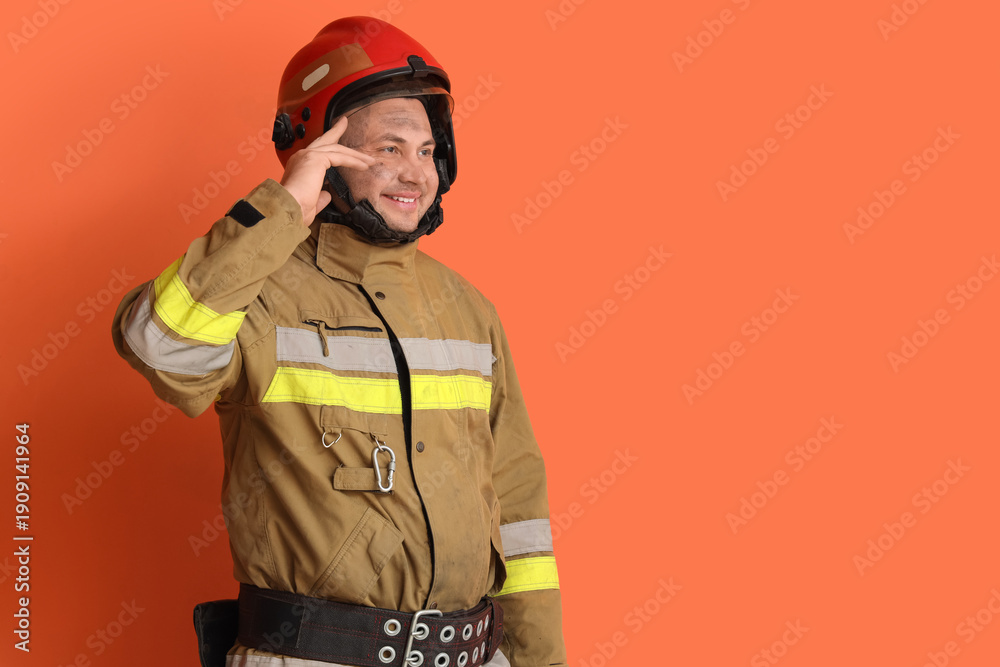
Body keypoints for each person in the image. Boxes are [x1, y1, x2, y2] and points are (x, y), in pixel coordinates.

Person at [111, 16, 566, 667]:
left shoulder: (468, 309)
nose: (415, 172)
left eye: (427, 150)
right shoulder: (259, 292)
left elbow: (519, 505)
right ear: (318, 153)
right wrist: (282, 209)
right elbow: (159, 345)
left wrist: (540, 660)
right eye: (388, 149)